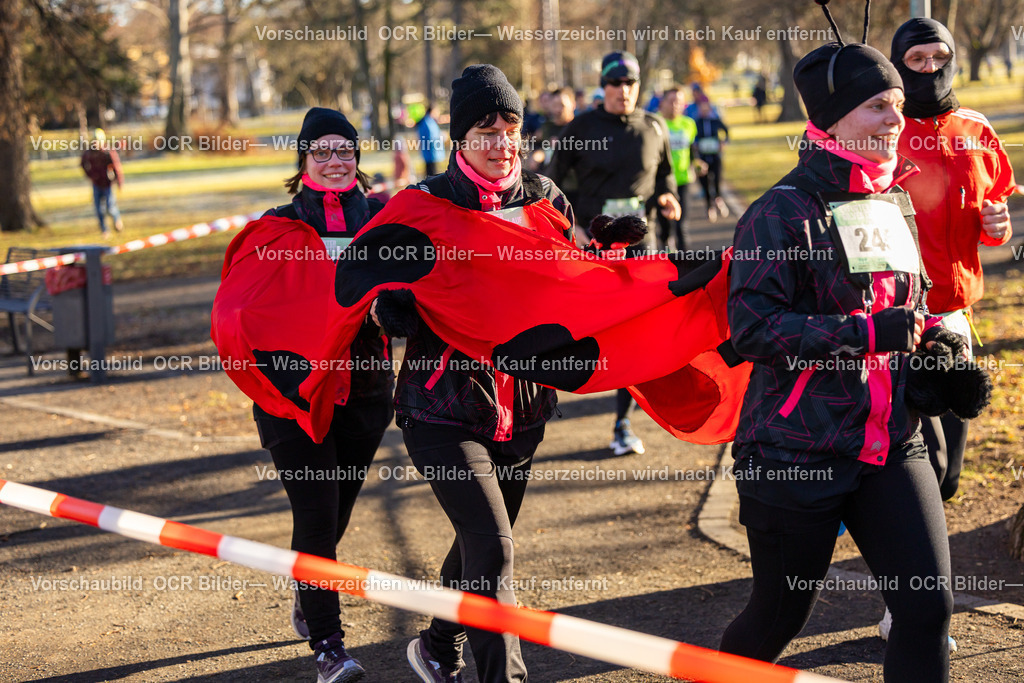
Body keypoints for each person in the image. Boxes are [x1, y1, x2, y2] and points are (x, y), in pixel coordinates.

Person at [718, 7, 981, 679]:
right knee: (775, 617)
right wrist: (861, 336)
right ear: (831, 121)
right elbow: (752, 329)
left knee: (928, 608)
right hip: (796, 449)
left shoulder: (894, 201)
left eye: (897, 103)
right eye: (877, 106)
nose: (897, 118)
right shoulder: (780, 211)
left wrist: (936, 368)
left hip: (893, 442)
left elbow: (912, 311)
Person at [370, 64, 575, 683]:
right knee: (494, 547)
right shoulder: (421, 206)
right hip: (442, 406)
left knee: (479, 545)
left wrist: (612, 253)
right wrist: (400, 301)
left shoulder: (545, 199)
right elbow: (376, 298)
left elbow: (576, 286)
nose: (500, 141)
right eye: (484, 129)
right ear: (459, 139)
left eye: (509, 126)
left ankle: (436, 643)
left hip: (522, 406)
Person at [876, 16, 1017, 645]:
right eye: (917, 59)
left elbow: (998, 224)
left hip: (954, 316)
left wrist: (998, 226)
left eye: (940, 57)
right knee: (917, 460)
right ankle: (903, 609)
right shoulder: (882, 127)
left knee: (950, 473)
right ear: (898, 63)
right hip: (894, 320)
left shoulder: (978, 131)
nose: (929, 69)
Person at [254, 107, 394, 683]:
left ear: (357, 160)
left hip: (365, 389)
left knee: (335, 512)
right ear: (304, 160)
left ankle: (306, 584)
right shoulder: (278, 225)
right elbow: (248, 307)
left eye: (345, 151)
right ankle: (329, 647)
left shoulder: (387, 218)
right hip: (294, 394)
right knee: (314, 515)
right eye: (322, 151)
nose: (335, 161)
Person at [549, 50, 681, 457]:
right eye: (615, 84)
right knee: (594, 329)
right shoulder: (579, 129)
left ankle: (623, 421)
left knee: (637, 331)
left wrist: (668, 197)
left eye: (630, 84)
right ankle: (543, 397)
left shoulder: (654, 127)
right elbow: (553, 186)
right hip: (595, 246)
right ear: (603, 86)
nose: (623, 91)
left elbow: (665, 176)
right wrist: (577, 226)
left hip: (644, 244)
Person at [657, 86, 699, 252]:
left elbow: (690, 148)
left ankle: (685, 265)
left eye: (679, 102)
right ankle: (666, 260)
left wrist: (697, 162)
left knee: (682, 226)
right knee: (665, 228)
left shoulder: (689, 124)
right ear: (663, 103)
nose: (675, 105)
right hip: (662, 184)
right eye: (672, 101)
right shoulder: (656, 124)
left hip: (683, 180)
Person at [80, 128, 124, 238]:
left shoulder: (108, 152)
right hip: (96, 184)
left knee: (110, 207)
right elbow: (82, 164)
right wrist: (90, 175)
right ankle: (105, 230)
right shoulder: (89, 152)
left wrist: (119, 181)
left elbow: (117, 166)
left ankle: (117, 220)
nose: (95, 143)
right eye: (94, 140)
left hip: (107, 183)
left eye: (97, 140)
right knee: (99, 209)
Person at [692, 98, 730, 221]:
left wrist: (724, 142)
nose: (704, 110)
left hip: (715, 156)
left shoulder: (715, 120)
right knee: (705, 183)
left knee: (717, 180)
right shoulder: (696, 122)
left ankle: (719, 199)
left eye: (706, 107)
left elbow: (726, 130)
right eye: (701, 107)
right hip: (702, 158)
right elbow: (692, 137)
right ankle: (710, 207)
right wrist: (695, 145)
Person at [416, 103, 445, 177]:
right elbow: (430, 137)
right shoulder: (427, 122)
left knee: (432, 172)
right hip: (431, 152)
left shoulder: (429, 121)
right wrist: (441, 137)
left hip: (430, 152)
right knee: (432, 173)